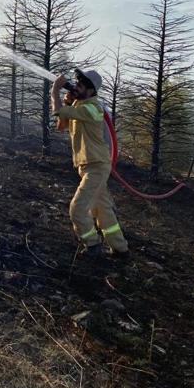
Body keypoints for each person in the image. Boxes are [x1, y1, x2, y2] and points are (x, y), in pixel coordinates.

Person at [51, 69, 129, 259]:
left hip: (97, 166)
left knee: (77, 209)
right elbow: (61, 126)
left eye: (80, 85)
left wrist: (55, 92)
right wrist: (69, 101)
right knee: (102, 209)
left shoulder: (93, 108)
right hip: (87, 166)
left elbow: (59, 110)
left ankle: (93, 246)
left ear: (91, 90)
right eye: (76, 84)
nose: (75, 87)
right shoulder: (79, 106)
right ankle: (120, 249)